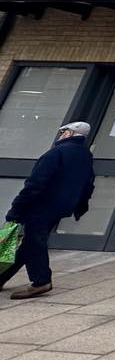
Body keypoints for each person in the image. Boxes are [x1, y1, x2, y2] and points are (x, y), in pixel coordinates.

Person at [0, 121, 95, 299]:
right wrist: (79, 205)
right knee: (31, 242)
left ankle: (41, 281)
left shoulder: (56, 153)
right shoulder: (85, 155)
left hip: (42, 205)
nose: (60, 135)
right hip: (62, 206)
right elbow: (88, 183)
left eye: (63, 132)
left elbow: (35, 184)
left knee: (35, 242)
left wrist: (16, 210)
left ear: (69, 134)